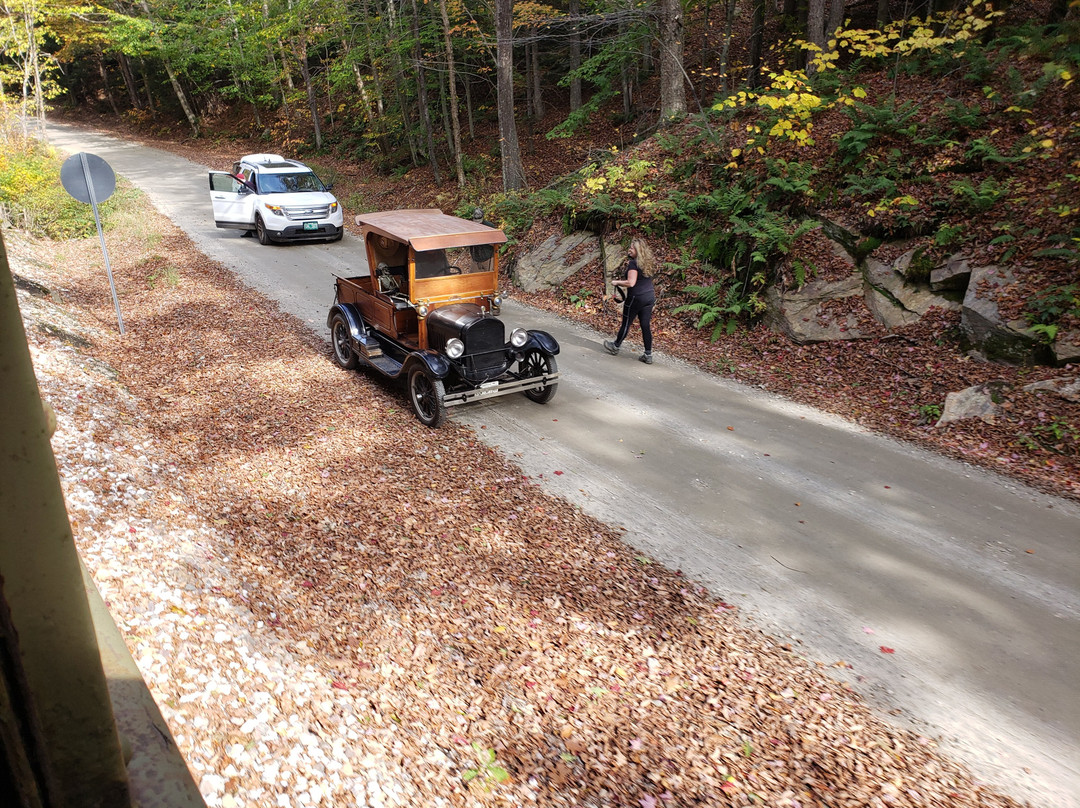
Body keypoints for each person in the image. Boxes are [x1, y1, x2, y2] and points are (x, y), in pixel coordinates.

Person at [604, 237, 657, 364]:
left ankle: (615, 346)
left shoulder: (634, 263)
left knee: (626, 323)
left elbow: (631, 283)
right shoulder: (647, 262)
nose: (629, 249)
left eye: (632, 248)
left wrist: (616, 282)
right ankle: (648, 354)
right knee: (645, 325)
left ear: (638, 250)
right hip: (649, 297)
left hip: (636, 298)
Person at [469, 207, 496, 272]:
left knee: (489, 276)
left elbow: (495, 242)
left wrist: (485, 239)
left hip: (488, 257)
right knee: (474, 277)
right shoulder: (470, 226)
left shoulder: (489, 226)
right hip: (475, 257)